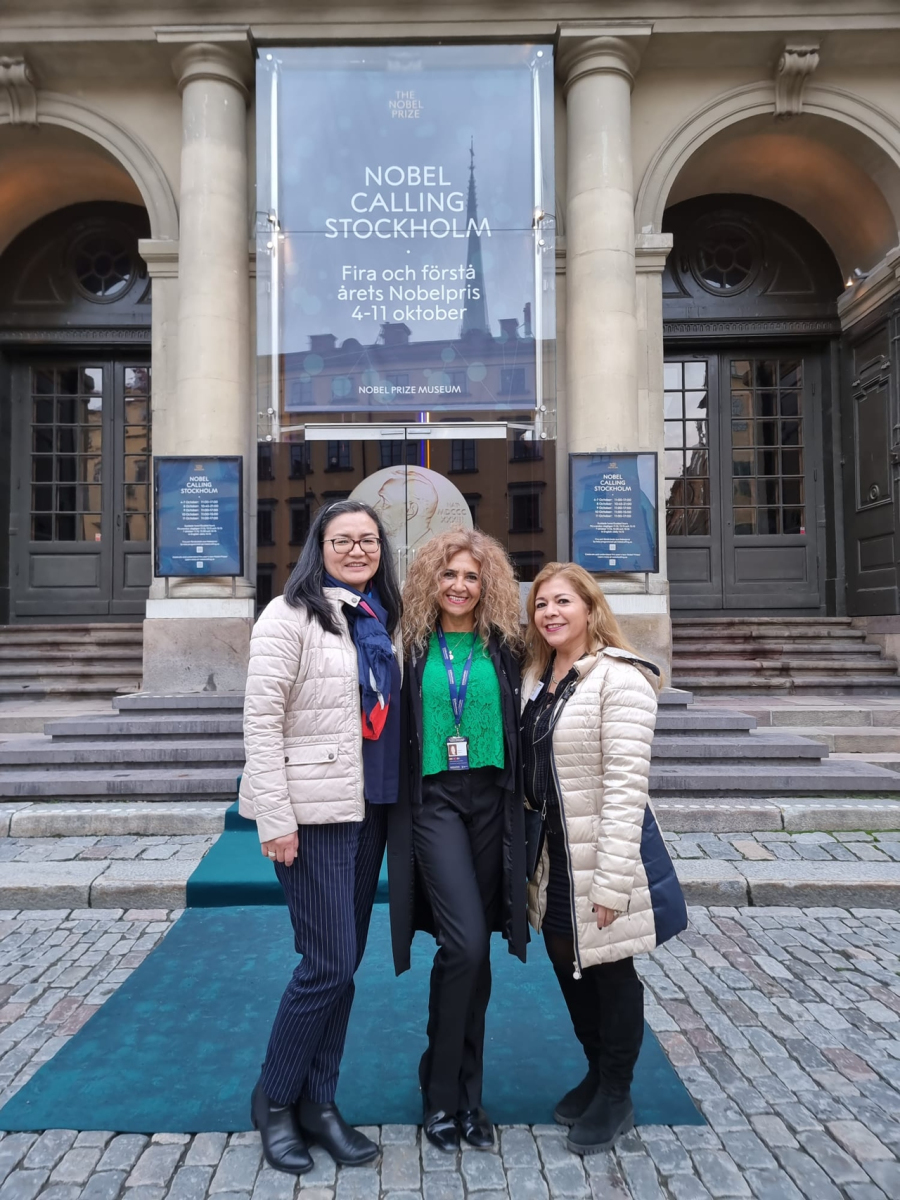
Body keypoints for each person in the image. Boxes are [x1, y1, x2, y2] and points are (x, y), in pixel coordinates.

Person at [239, 500, 402, 1174]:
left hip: (370, 809)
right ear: (319, 546)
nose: (358, 549)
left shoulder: (381, 618)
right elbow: (261, 720)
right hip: (311, 814)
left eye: (369, 540)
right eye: (343, 540)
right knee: (327, 964)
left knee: (344, 964)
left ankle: (319, 1103)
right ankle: (275, 1099)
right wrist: (274, 817)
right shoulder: (289, 615)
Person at [521, 562, 687, 1156]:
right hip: (552, 851)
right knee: (564, 956)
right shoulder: (538, 675)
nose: (551, 613)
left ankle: (617, 1093)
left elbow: (625, 788)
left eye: (563, 602)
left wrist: (613, 882)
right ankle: (596, 1071)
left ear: (591, 609)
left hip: (601, 850)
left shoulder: (620, 678)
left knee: (610, 968)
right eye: (542, 604)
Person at [387, 528, 527, 1153]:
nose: (460, 586)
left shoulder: (507, 646)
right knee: (465, 941)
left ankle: (468, 1098)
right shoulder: (411, 647)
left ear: (487, 583)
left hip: (493, 798)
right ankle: (439, 1091)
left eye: (472, 576)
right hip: (435, 800)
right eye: (449, 575)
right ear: (430, 581)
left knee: (477, 954)